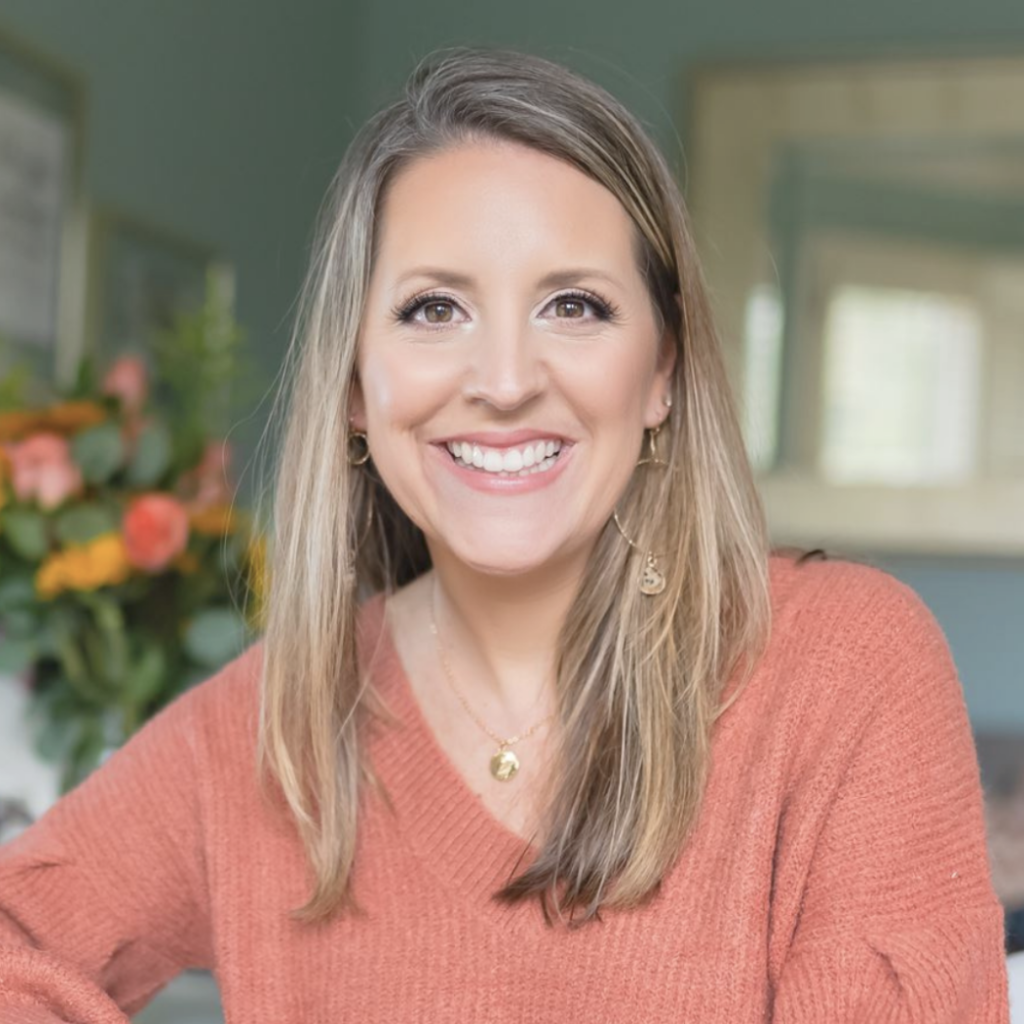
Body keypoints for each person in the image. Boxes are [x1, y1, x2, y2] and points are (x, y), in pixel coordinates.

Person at [0, 46, 1010, 1023]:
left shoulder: (846, 668)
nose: (504, 379)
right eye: (433, 308)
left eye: (574, 304)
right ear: (356, 384)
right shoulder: (272, 723)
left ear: (662, 370)